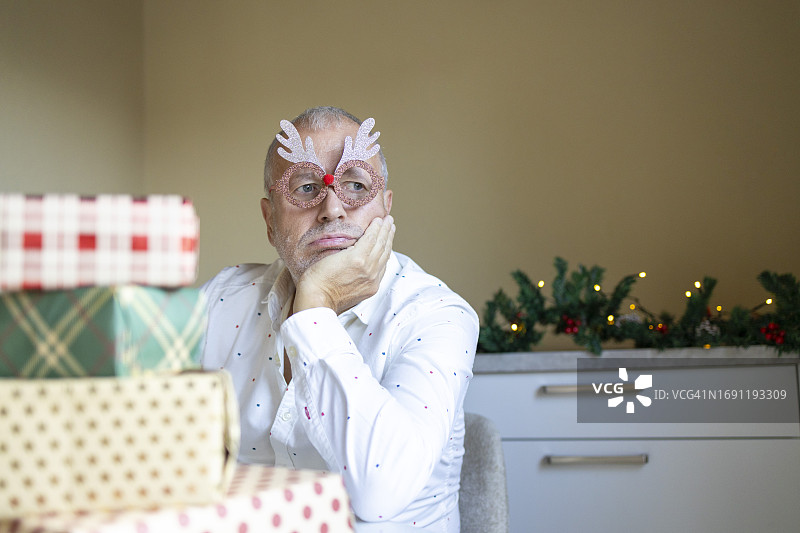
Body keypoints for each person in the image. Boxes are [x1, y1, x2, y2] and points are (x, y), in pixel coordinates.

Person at [201, 106, 478, 531]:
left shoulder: (438, 317)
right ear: (270, 221)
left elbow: (378, 492)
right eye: (306, 187)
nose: (332, 208)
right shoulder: (221, 300)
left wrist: (316, 304)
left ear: (386, 209)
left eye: (356, 186)